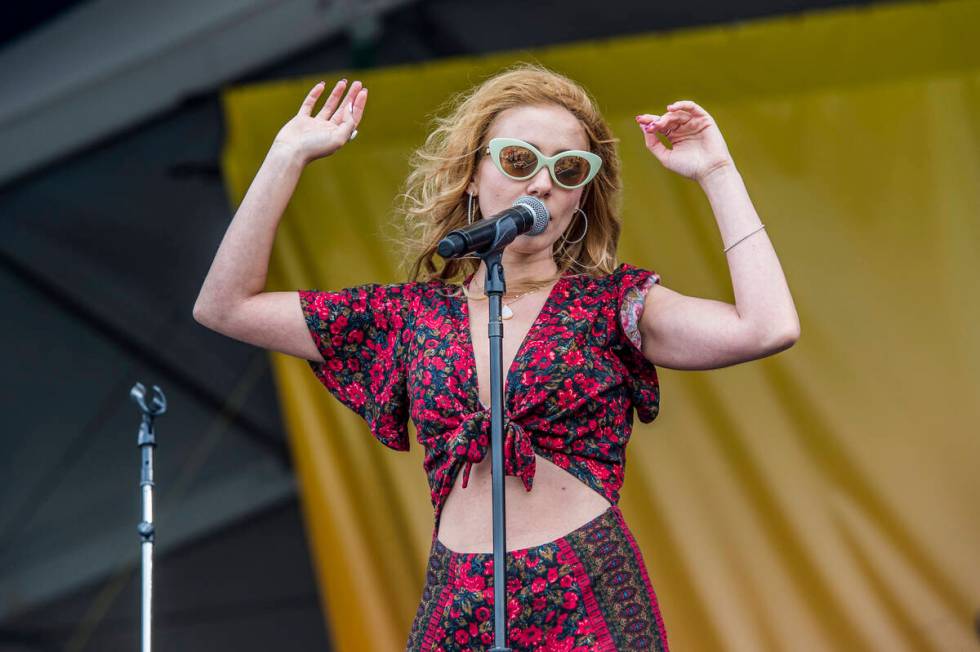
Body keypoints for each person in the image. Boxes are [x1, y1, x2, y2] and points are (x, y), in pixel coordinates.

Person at [193, 62, 800, 651]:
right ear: (474, 172)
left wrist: (717, 171)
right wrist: (284, 157)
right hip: (457, 599)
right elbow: (225, 307)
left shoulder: (611, 303)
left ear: (581, 196)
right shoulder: (409, 317)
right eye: (518, 160)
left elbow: (767, 327)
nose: (541, 183)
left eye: (567, 170)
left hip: (583, 591)